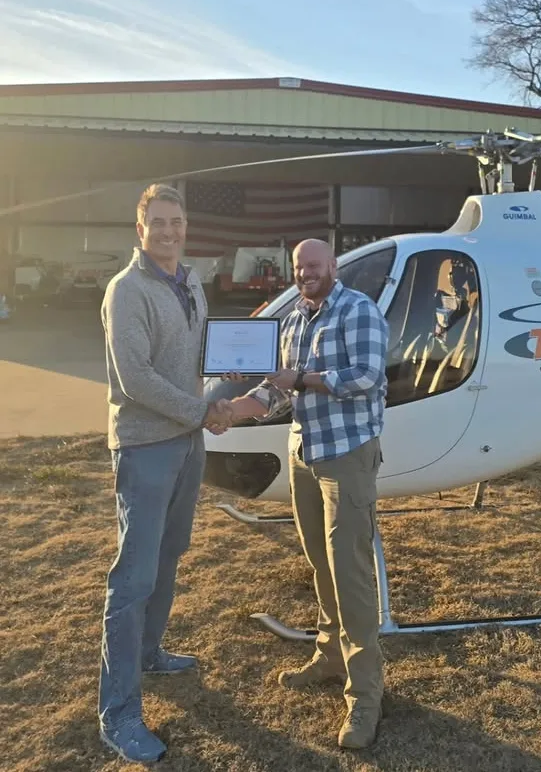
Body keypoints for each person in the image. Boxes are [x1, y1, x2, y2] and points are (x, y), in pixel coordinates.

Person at [227, 238, 389, 750]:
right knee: (320, 562)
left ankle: (365, 694)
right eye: (299, 268)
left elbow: (366, 375)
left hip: (347, 455)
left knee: (351, 571)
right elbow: (278, 390)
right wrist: (234, 409)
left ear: (333, 267)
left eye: (314, 266)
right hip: (303, 451)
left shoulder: (357, 310)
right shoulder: (295, 320)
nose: (306, 274)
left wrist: (302, 378)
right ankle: (329, 655)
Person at [98, 183, 233, 764]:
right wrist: (204, 409)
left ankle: (150, 654)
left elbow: (200, 352)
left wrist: (243, 368)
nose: (169, 231)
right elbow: (138, 379)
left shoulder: (190, 280)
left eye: (177, 221)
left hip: (187, 443)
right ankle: (119, 711)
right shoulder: (126, 291)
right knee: (133, 580)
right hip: (146, 447)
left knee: (170, 554)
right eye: (158, 222)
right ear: (140, 227)